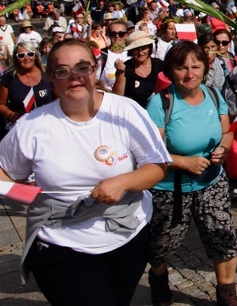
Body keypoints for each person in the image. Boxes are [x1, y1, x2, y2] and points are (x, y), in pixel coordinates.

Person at [0, 39, 170, 305]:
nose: (74, 77)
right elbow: (3, 173)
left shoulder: (125, 111)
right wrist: (34, 197)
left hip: (127, 235)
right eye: (62, 71)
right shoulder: (31, 126)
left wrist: (123, 181)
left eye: (82, 67)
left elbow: (157, 166)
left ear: (95, 69)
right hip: (61, 241)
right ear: (50, 77)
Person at [145, 41, 237, 306]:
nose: (190, 74)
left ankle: (227, 294)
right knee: (162, 245)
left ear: (205, 68)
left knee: (223, 235)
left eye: (195, 66)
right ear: (170, 71)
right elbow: (150, 152)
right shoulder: (160, 102)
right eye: (181, 68)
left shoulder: (213, 94)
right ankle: (158, 278)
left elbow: (227, 131)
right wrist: (182, 162)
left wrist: (224, 150)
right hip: (171, 189)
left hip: (212, 181)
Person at [0, 43, 54, 139]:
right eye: (21, 55)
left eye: (30, 54)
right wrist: (10, 114)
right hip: (21, 130)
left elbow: (58, 98)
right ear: (16, 58)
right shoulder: (9, 77)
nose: (26, 58)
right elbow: (1, 104)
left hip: (48, 127)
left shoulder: (47, 74)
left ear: (35, 55)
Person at [113, 31, 164, 108]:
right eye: (136, 49)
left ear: (149, 48)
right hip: (133, 113)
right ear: (131, 51)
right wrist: (120, 73)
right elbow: (117, 97)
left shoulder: (159, 65)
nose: (140, 53)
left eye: (143, 48)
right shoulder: (125, 68)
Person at [97, 21, 130, 92]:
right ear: (108, 34)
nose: (117, 36)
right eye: (113, 33)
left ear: (126, 35)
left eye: (121, 34)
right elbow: (95, 81)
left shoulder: (132, 54)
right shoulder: (102, 55)